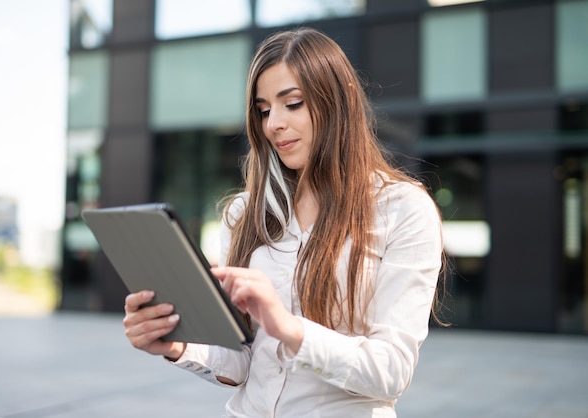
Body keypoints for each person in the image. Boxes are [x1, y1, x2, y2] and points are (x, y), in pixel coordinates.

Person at [123, 27, 445, 418]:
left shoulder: (403, 210)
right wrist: (177, 345)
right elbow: (245, 361)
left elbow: (390, 370)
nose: (273, 123)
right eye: (263, 110)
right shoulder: (244, 213)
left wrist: (288, 328)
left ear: (337, 101)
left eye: (292, 103)